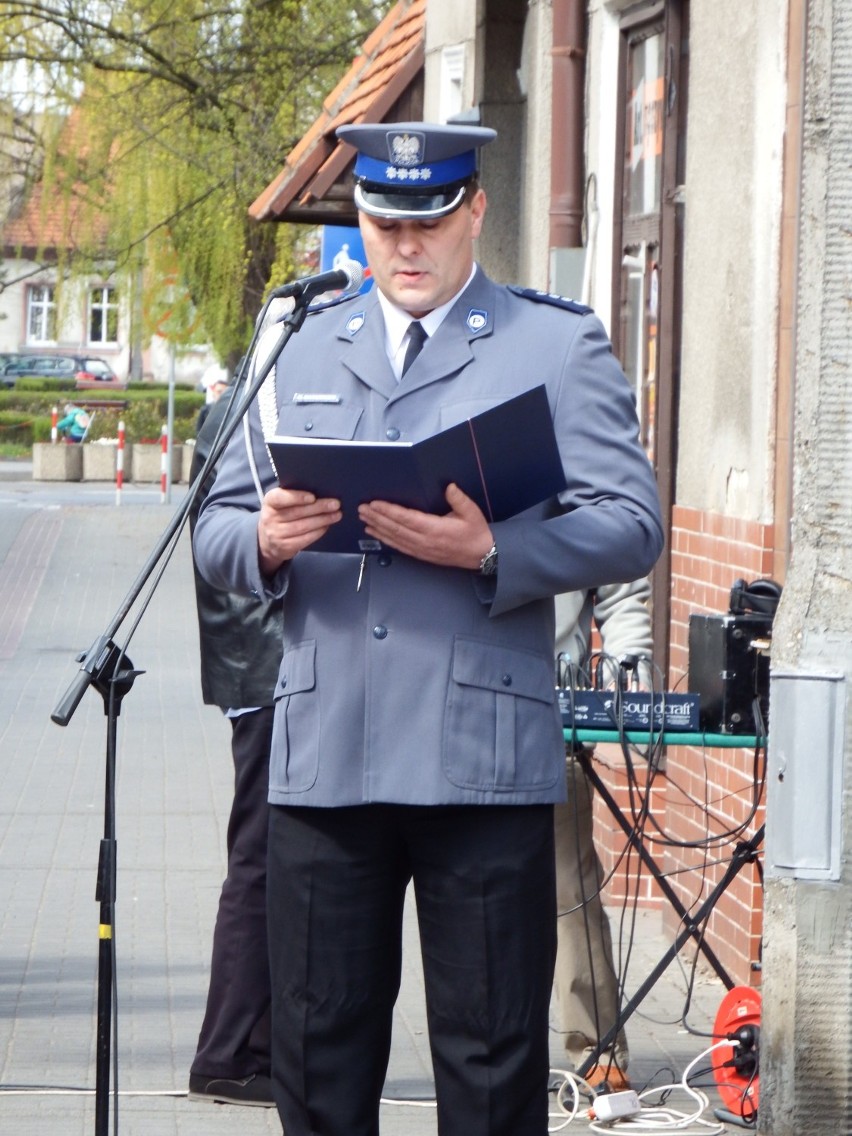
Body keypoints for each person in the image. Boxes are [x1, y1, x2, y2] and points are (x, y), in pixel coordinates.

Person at [193, 121, 664, 1136]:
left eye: (431, 221)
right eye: (382, 223)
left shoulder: (556, 341)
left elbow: (633, 521)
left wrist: (493, 550)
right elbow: (214, 527)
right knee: (316, 1063)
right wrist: (267, 541)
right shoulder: (299, 340)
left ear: (475, 213)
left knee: (491, 1067)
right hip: (326, 757)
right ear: (360, 220)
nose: (405, 247)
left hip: (479, 762)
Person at [186, 380, 282, 1108]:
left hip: (253, 666)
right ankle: (231, 1050)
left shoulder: (229, 408)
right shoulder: (259, 411)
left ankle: (252, 1044)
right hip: (270, 666)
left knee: (263, 857)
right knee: (260, 857)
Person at [553, 579, 653, 1094]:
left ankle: (598, 1048)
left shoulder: (580, 494)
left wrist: (628, 671)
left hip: (552, 711)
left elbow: (620, 593)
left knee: (571, 889)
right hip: (453, 710)